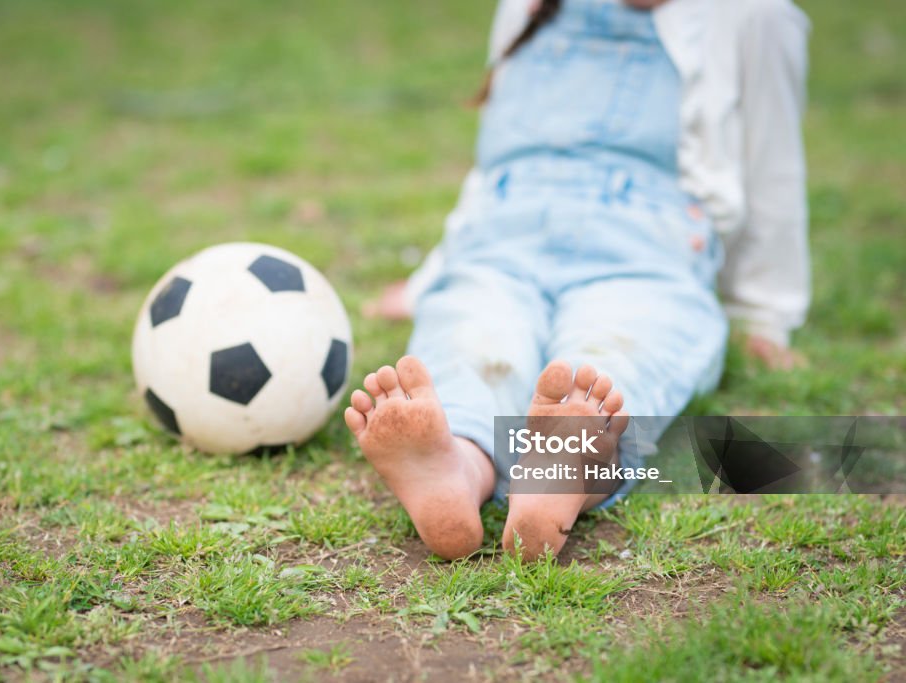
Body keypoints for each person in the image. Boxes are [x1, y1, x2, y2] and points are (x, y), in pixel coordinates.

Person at [346, 0, 811, 561]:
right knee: (473, 331)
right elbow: (490, 167)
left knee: (619, 347)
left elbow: (772, 168)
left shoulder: (749, 15)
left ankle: (567, 463)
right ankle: (456, 464)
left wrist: (764, 314)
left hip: (645, 246)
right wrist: (431, 278)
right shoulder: (528, 7)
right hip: (505, 229)